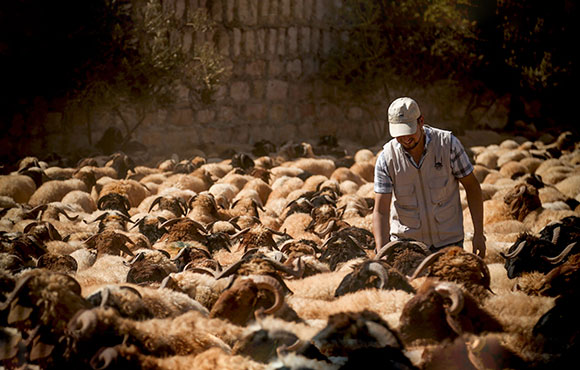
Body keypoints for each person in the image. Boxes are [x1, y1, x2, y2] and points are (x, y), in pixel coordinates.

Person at [373, 97, 486, 258]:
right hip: (408, 248)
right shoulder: (386, 158)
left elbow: (472, 187)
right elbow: (381, 210)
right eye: (400, 134)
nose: (405, 139)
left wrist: (479, 234)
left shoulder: (448, 146)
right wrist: (382, 252)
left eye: (409, 131)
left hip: (448, 245)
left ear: (421, 121)